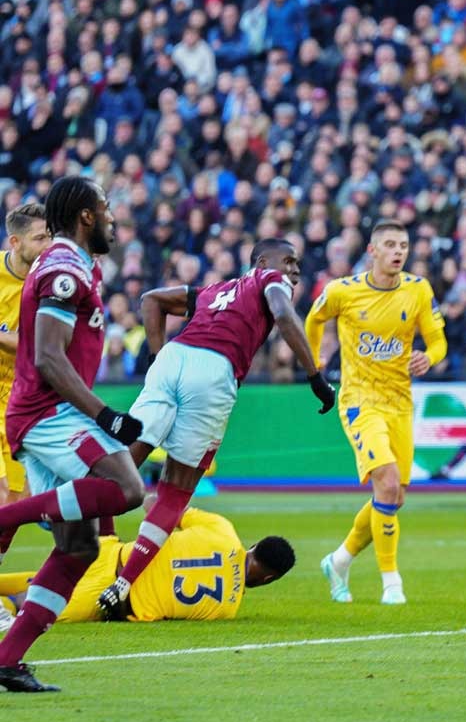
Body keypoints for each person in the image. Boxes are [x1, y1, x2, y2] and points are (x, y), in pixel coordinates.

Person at [92, 239, 336, 618]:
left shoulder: (215, 290)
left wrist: (159, 358)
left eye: (297, 264)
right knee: (175, 490)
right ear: (261, 261)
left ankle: (85, 529)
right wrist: (315, 375)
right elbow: (285, 316)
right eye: (288, 260)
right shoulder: (271, 280)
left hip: (175, 356)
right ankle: (124, 582)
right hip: (215, 371)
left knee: (127, 457)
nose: (295, 269)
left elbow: (152, 300)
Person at [0, 179, 147, 692]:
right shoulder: (64, 269)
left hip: (46, 413)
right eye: (105, 209)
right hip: (50, 414)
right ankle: (2, 520)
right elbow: (47, 355)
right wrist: (105, 416)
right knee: (129, 489)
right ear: (86, 216)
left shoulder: (79, 265)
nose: (112, 218)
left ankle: (7, 659)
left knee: (80, 546)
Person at [305, 221, 447, 605]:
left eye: (403, 244)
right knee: (385, 482)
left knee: (394, 495)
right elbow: (314, 319)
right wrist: (313, 363)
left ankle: (339, 560)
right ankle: (391, 583)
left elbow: (438, 341)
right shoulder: (342, 291)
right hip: (359, 401)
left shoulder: (418, 290)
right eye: (390, 244)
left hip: (400, 403)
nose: (398, 251)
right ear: (373, 250)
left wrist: (428, 358)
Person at [1, 504, 294, 623]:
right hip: (107, 597)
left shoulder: (222, 528)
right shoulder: (226, 608)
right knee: (32, 607)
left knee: (31, 587)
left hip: (109, 553)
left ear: (253, 546)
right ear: (268, 579)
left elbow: (158, 506)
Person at [0, 204, 50, 511]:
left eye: (50, 238)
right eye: (39, 238)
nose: (47, 246)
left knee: (18, 498)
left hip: (17, 397)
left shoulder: (47, 283)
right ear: (15, 242)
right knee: (4, 490)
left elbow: (36, 345)